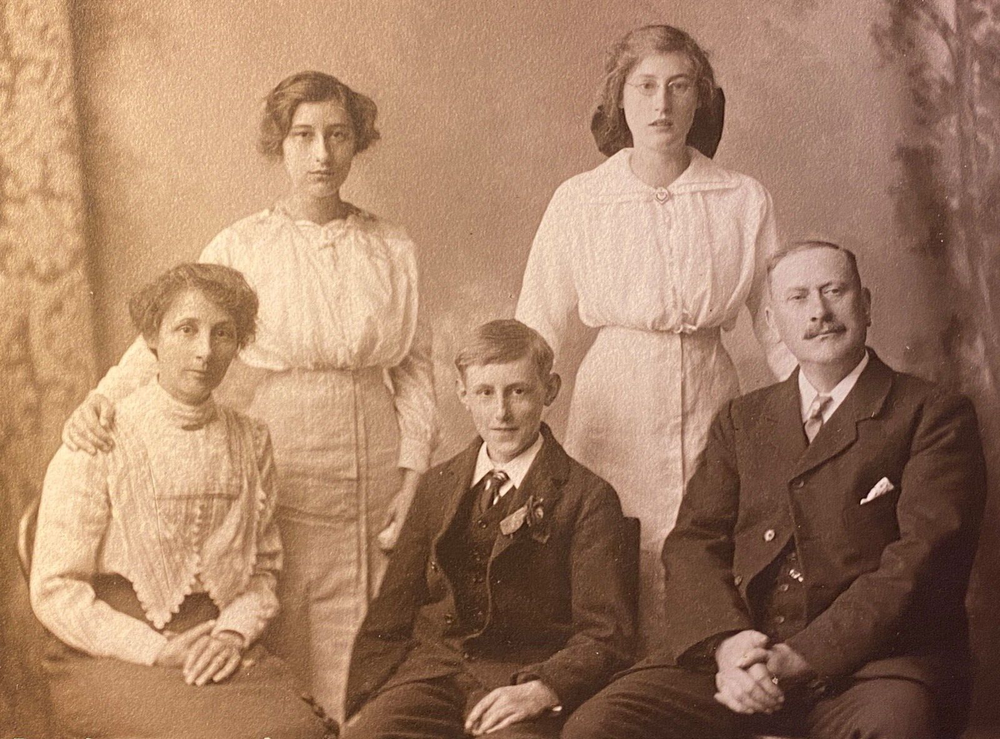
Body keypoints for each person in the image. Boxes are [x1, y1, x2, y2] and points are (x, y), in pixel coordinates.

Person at [59, 70, 437, 717]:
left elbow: (415, 368)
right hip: (287, 451)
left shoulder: (391, 245)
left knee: (378, 619)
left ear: (358, 142)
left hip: (376, 455)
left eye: (338, 135)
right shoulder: (245, 243)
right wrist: (101, 399)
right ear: (279, 144)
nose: (322, 154)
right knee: (287, 607)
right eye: (304, 135)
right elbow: (173, 331)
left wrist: (413, 474)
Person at [562, 241, 987, 739]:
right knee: (599, 726)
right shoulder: (742, 420)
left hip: (874, 670)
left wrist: (802, 656)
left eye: (835, 291)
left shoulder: (933, 414)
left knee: (891, 729)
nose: (820, 313)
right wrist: (730, 646)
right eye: (798, 298)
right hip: (747, 661)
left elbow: (921, 563)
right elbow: (695, 542)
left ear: (866, 305)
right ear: (773, 320)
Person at [515, 25, 792, 645]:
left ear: (702, 100)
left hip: (712, 395)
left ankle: (692, 699)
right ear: (620, 100)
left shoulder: (741, 197)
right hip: (616, 399)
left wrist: (822, 412)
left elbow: (778, 323)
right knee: (611, 551)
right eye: (645, 87)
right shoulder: (581, 200)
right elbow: (538, 323)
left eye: (679, 86)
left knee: (706, 545)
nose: (661, 105)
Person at [30, 264, 330, 738]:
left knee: (300, 731)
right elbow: (55, 589)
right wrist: (153, 649)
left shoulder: (251, 440)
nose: (205, 351)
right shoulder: (99, 435)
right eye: (186, 330)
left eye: (223, 334)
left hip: (216, 641)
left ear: (239, 345)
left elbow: (262, 570)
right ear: (152, 337)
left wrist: (232, 633)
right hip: (110, 645)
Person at [343, 320, 634, 739]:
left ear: (549, 390)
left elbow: (607, 635)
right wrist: (365, 703)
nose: (501, 412)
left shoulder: (588, 497)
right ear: (463, 395)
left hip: (521, 683)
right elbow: (390, 614)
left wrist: (544, 688)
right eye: (485, 393)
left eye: (518, 391)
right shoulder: (437, 484)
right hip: (431, 676)